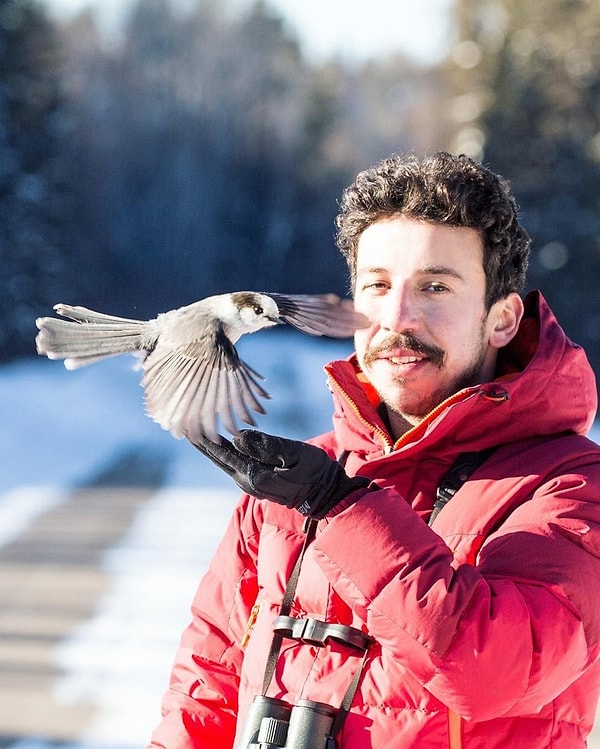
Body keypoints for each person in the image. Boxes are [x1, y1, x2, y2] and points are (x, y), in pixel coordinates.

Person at [147, 151, 600, 748]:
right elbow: (204, 691)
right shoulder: (294, 485)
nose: (396, 317)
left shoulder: (570, 485)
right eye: (377, 287)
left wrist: (344, 506)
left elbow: (493, 669)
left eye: (435, 287)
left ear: (502, 320)